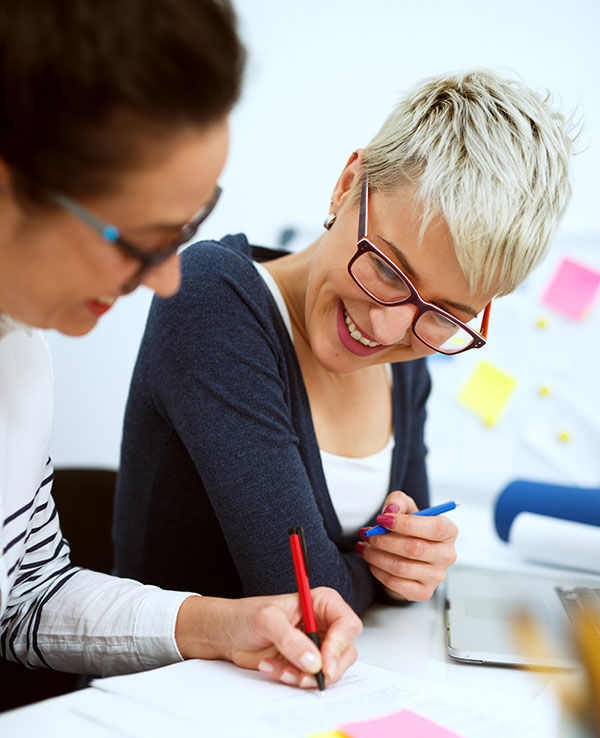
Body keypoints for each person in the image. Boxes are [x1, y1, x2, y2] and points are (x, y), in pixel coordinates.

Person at [114, 70, 573, 614]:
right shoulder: (214, 296)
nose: (385, 330)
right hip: (167, 692)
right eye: (385, 268)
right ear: (348, 183)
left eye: (445, 314)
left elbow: (400, 569)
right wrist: (371, 570)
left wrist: (414, 563)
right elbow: (304, 598)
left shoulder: (408, 359)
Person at [0, 0, 361, 691]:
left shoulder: (18, 348)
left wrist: (220, 625)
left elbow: (25, 598)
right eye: (142, 239)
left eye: (191, 225)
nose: (167, 278)